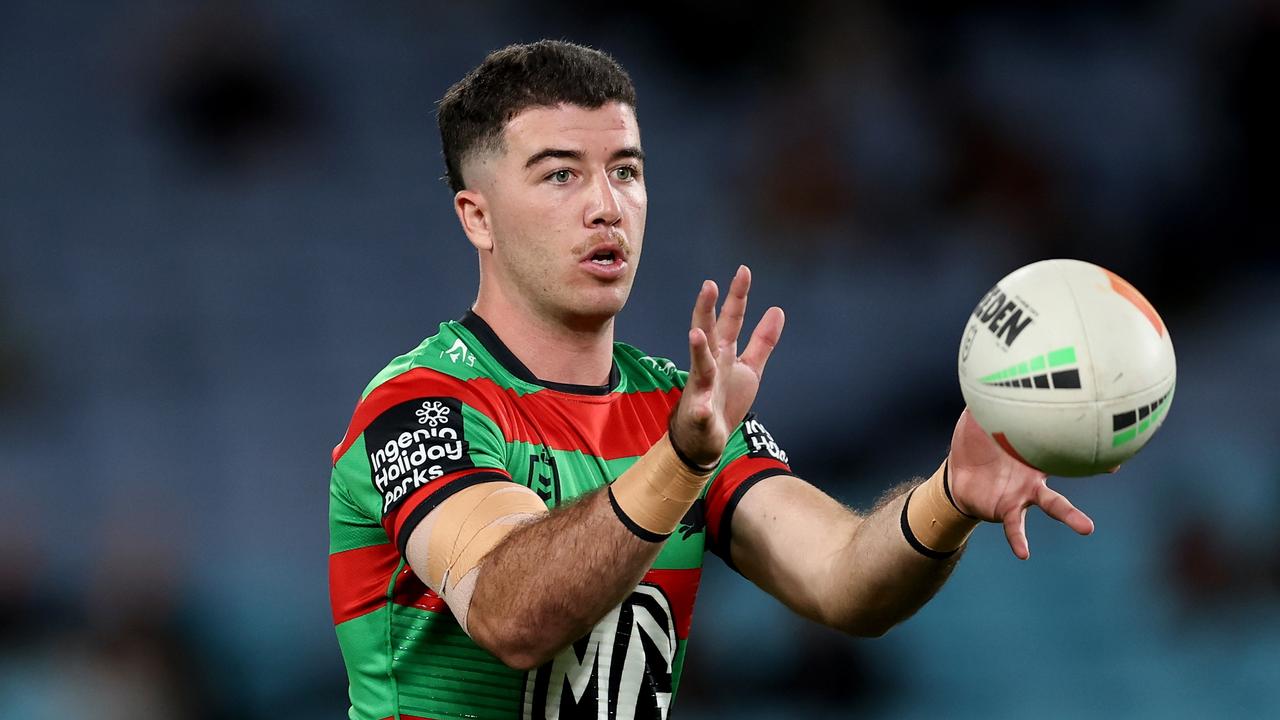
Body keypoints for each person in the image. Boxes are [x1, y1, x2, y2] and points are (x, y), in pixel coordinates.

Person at [327, 40, 1095, 720]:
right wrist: (681, 461)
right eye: (560, 175)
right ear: (478, 218)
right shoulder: (419, 406)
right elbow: (511, 615)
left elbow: (841, 580)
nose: (606, 207)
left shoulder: (680, 406)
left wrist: (950, 495)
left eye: (625, 171)